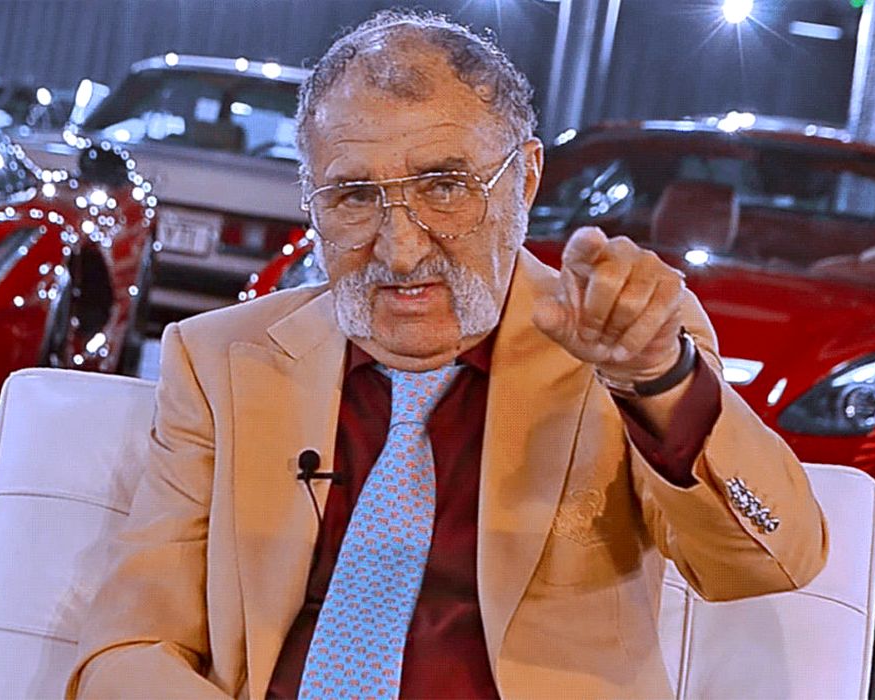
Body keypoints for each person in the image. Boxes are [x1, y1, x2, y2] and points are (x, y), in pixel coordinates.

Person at [66, 10, 827, 699]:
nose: (400, 250)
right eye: (354, 196)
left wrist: (658, 380)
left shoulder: (625, 346)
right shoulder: (219, 360)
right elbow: (127, 650)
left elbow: (768, 562)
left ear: (524, 179)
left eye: (444, 187)